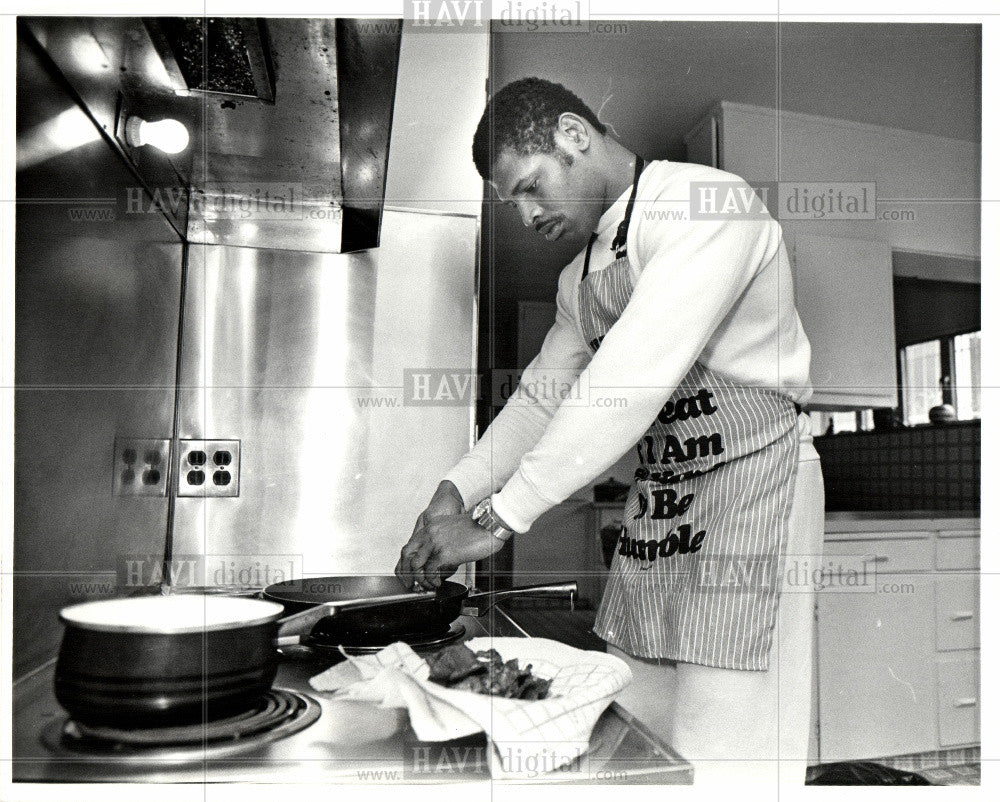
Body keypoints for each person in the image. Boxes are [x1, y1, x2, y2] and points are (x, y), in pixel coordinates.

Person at [395, 77, 824, 785]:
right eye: (515, 204)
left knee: (730, 737)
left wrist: (499, 519)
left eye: (531, 188)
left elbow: (626, 381)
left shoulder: (701, 205)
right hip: (664, 503)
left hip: (756, 486)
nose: (527, 216)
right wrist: (457, 487)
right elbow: (540, 400)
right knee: (640, 722)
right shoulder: (579, 278)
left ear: (573, 133)